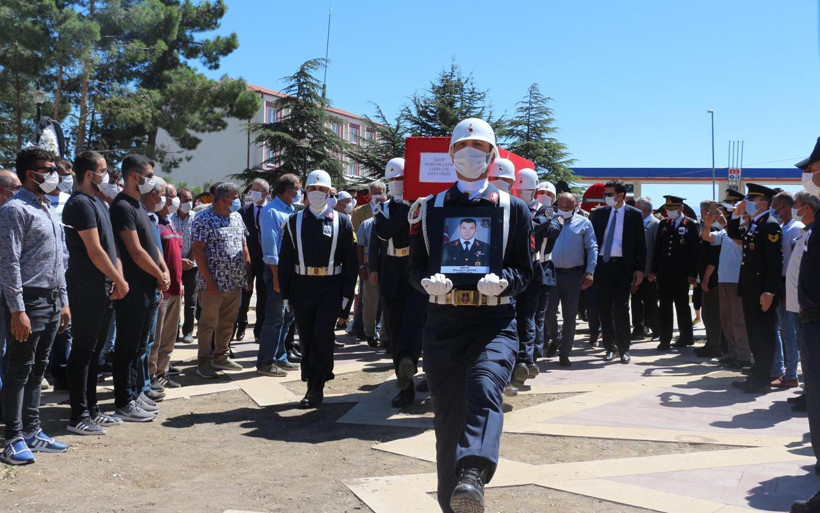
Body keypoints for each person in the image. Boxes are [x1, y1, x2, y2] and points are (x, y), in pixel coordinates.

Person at [407, 118, 533, 512]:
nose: (470, 156)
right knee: (447, 421)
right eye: (463, 148)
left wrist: (505, 283)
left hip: (493, 323)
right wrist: (427, 283)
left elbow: (526, 270)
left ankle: (474, 473)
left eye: (479, 150)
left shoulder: (515, 210)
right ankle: (457, 501)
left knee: (484, 387)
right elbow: (415, 268)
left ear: (492, 156)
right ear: (450, 156)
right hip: (443, 324)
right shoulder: (428, 210)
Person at [0, 148, 71, 464]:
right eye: (49, 168)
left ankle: (32, 430)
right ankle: (12, 437)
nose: (54, 173)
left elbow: (61, 259)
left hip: (52, 300)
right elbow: (8, 262)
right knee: (19, 370)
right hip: (27, 301)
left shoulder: (45, 207)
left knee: (38, 369)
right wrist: (17, 309)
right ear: (32, 173)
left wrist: (64, 301)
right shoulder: (14, 210)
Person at [63, 151, 129, 435]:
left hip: (104, 286)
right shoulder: (79, 204)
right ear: (90, 174)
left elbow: (111, 247)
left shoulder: (99, 203)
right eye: (103, 170)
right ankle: (78, 415)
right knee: (83, 351)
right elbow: (94, 250)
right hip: (87, 286)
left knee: (95, 353)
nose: (108, 175)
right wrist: (119, 279)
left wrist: (118, 277)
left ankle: (92, 409)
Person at [278, 170, 357, 408]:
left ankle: (317, 384)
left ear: (330, 193)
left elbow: (351, 262)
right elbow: (285, 261)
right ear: (306, 192)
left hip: (330, 288)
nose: (317, 194)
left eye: (322, 190)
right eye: (312, 189)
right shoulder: (293, 221)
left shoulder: (342, 221)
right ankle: (311, 378)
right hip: (302, 287)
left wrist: (347, 298)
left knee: (323, 336)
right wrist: (285, 293)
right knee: (307, 337)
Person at [110, 154, 168, 422]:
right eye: (148, 175)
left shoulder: (139, 206)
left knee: (140, 346)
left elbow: (151, 245)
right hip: (133, 289)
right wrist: (159, 273)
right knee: (127, 346)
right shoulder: (122, 206)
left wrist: (163, 269)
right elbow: (134, 251)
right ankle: (123, 400)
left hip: (149, 287)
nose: (151, 180)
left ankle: (135, 393)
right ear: (134, 176)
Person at [371, 157, 428, 408]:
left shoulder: (423, 205)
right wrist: (407, 208)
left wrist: (415, 204)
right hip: (392, 271)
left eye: (401, 179)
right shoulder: (384, 209)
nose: (396, 183)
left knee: (417, 322)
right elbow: (383, 233)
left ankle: (412, 361)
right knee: (394, 327)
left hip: (416, 270)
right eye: (392, 179)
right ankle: (405, 384)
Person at [727, 183, 783, 394]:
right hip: (750, 287)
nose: (747, 202)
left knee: (764, 334)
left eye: (752, 199)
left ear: (764, 202)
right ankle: (756, 372)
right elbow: (735, 236)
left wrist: (769, 290)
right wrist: (735, 216)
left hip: (761, 290)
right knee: (754, 333)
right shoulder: (755, 223)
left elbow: (775, 262)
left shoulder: (770, 225)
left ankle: (763, 378)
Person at [191, 182, 251, 378]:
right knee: (208, 323)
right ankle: (204, 361)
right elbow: (198, 251)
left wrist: (248, 275)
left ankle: (221, 356)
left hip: (234, 282)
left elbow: (244, 246)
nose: (237, 200)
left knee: (228, 321)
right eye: (235, 196)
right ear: (224, 198)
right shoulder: (203, 218)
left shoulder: (236, 217)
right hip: (212, 284)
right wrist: (209, 280)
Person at [590, 180, 645, 363]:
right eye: (605, 194)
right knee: (604, 307)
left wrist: (640, 269)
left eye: (609, 194)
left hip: (623, 267)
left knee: (621, 306)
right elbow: (592, 243)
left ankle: (624, 349)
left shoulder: (634, 215)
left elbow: (641, 245)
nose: (606, 197)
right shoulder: (598, 214)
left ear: (621, 195)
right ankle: (610, 347)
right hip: (602, 266)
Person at [508, 169, 552, 391]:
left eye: (526, 190)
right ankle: (514, 359)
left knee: (528, 316)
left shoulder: (545, 210)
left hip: (534, 267)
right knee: (511, 315)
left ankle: (525, 360)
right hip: (513, 267)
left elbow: (535, 226)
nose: (523, 193)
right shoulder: (512, 205)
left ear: (535, 190)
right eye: (520, 189)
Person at [701, 190, 752, 370]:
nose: (727, 212)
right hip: (724, 279)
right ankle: (733, 353)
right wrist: (707, 225)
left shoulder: (746, 229)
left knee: (739, 320)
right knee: (727, 320)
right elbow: (707, 237)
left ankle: (744, 356)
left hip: (738, 279)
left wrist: (727, 223)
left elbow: (737, 239)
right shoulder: (726, 231)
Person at [258, 174, 302, 376]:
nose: (299, 193)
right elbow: (270, 246)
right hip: (277, 270)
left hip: (292, 270)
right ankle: (266, 362)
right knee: (275, 317)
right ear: (288, 191)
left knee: (287, 317)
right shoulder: (271, 211)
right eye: (298, 190)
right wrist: (276, 275)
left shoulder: (290, 210)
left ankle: (280, 356)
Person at [547, 192, 598, 366]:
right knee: (548, 312)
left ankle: (564, 352)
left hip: (573, 274)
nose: (565, 209)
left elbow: (592, 247)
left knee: (570, 316)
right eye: (562, 205)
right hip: (551, 273)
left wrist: (590, 271)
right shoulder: (550, 219)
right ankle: (555, 338)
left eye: (569, 206)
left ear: (576, 205)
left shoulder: (584, 223)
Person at [649, 196, 699, 351]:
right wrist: (653, 270)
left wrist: (692, 273)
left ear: (681, 209)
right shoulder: (664, 224)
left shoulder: (690, 225)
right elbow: (657, 249)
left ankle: (686, 337)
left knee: (682, 306)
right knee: (664, 306)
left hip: (681, 273)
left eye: (673, 209)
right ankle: (665, 339)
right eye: (668, 209)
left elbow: (694, 252)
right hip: (664, 273)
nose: (670, 212)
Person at [149, 184, 183, 389]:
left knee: (169, 336)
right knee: (156, 337)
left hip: (176, 288)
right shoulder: (153, 223)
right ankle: (150, 375)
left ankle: (162, 371)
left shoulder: (170, 223)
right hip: (162, 289)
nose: (174, 200)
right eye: (170, 196)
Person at [770, 191, 804, 388]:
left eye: (776, 205)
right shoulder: (780, 227)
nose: (773, 209)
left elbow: (796, 262)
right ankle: (778, 370)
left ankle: (791, 375)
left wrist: (792, 289)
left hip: (788, 285)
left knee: (789, 332)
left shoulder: (795, 228)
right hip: (778, 284)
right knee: (778, 329)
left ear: (784, 206)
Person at [235, 179, 270, 343]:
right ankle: (241, 324)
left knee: (263, 297)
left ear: (267, 193)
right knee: (244, 293)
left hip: (265, 259)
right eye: (253, 190)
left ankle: (259, 330)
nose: (254, 193)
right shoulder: (243, 211)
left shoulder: (271, 211)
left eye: (259, 190)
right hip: (247, 259)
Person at [694, 200, 723, 358]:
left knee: (712, 315)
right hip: (707, 278)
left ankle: (715, 346)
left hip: (713, 279)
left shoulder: (713, 231)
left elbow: (713, 259)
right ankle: (711, 343)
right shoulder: (705, 229)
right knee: (708, 314)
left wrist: (705, 279)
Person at [630, 197, 660, 341]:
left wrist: (654, 271)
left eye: (637, 208)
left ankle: (656, 330)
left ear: (645, 210)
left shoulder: (655, 224)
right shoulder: (635, 224)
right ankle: (638, 329)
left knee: (651, 303)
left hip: (649, 273)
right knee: (636, 302)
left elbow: (656, 250)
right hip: (636, 271)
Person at [171, 187, 197, 343]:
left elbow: (199, 241)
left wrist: (188, 260)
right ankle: (173, 332)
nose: (189, 203)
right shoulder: (170, 218)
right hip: (173, 264)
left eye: (190, 199)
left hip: (191, 265)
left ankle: (188, 331)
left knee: (191, 300)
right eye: (185, 200)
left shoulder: (196, 217)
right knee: (174, 300)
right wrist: (178, 261)